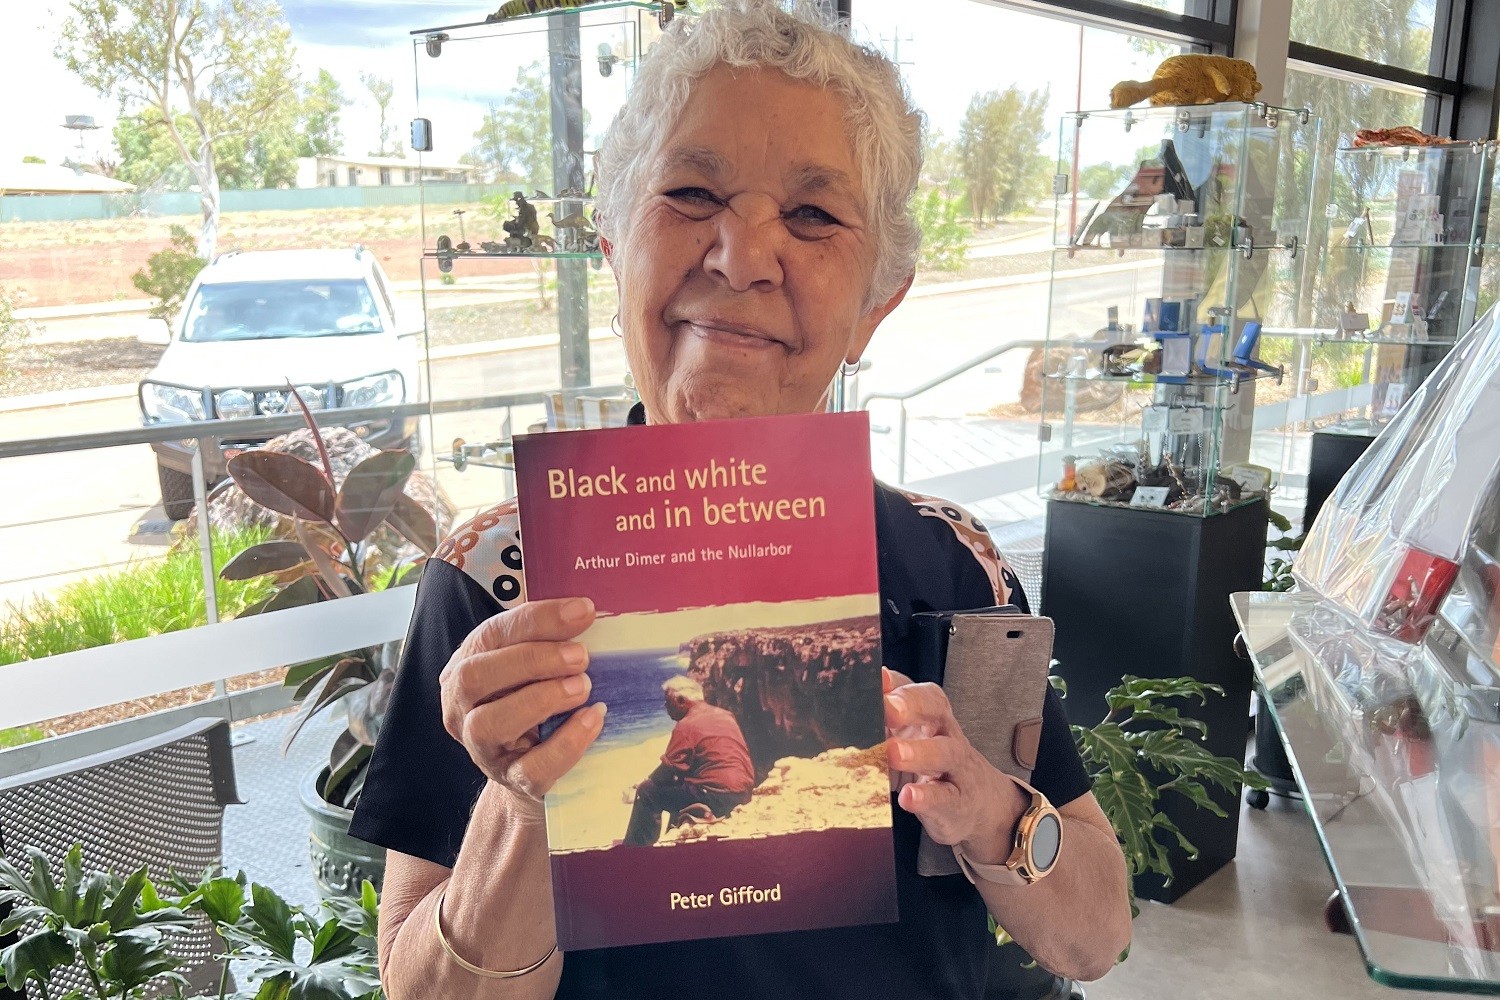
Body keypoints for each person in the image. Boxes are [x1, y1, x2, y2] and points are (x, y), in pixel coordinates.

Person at [349, 3, 1133, 998]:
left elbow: (1095, 935)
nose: (741, 255)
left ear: (876, 303)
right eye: (690, 192)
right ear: (610, 245)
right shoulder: (501, 583)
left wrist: (989, 809)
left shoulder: (951, 572)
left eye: (813, 215)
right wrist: (525, 807)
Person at [621, 676, 755, 846]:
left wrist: (641, 784)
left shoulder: (686, 725)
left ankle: (636, 850)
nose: (665, 706)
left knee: (648, 791)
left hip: (715, 796)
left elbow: (667, 772)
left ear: (681, 701)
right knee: (683, 784)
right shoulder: (726, 715)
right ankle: (671, 834)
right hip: (743, 793)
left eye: (667, 701)